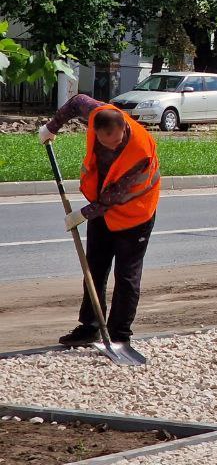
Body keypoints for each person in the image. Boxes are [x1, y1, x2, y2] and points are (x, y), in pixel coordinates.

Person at [39, 94, 161, 347]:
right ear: (94, 129)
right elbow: (76, 102)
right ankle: (90, 327)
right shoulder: (97, 113)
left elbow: (113, 197)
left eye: (118, 141)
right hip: (102, 210)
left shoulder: (139, 151)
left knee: (126, 275)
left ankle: (119, 336)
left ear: (124, 126)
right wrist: (52, 127)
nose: (114, 147)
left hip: (135, 214)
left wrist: (81, 215)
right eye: (108, 144)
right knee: (93, 267)